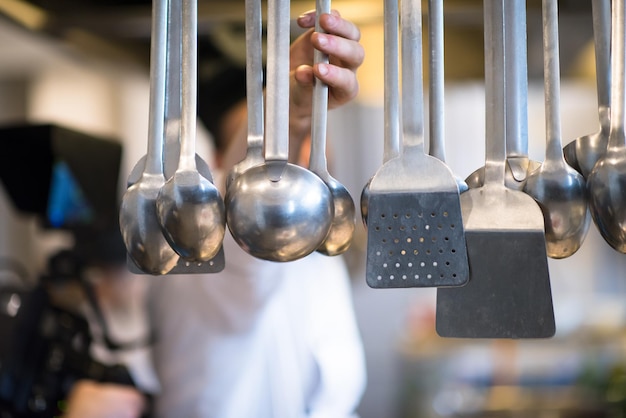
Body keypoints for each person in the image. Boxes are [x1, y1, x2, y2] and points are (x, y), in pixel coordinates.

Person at [63, 8, 366, 418]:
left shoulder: (311, 240)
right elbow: (249, 246)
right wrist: (288, 116)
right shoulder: (203, 242)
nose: (294, 162)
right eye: (259, 152)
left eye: (311, 135)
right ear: (223, 168)